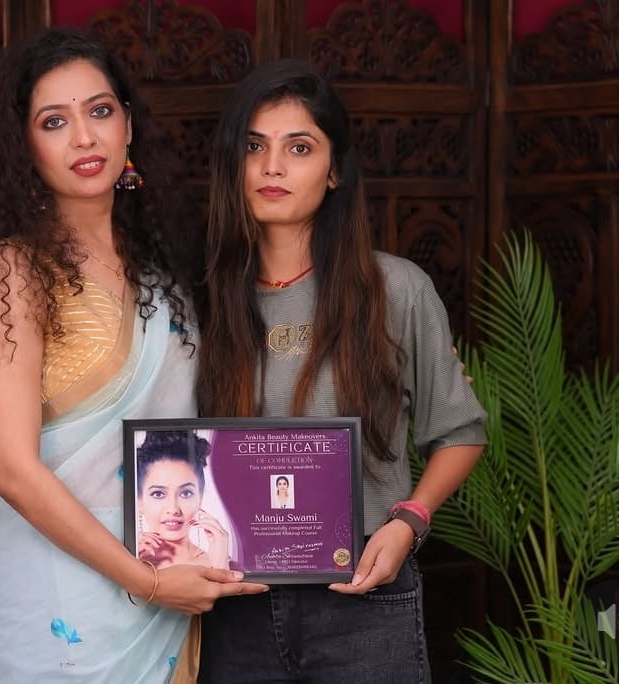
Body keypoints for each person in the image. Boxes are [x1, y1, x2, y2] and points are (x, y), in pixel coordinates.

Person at [0, 27, 265, 684]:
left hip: (173, 578)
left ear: (128, 126)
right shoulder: (15, 273)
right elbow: (13, 473)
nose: (84, 137)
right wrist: (146, 581)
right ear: (24, 144)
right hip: (66, 601)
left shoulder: (165, 271)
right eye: (54, 121)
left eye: (100, 111)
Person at [195, 59, 487, 682]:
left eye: (299, 147)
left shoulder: (395, 288)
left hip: (363, 596)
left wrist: (410, 522)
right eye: (254, 146)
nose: (273, 167)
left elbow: (460, 433)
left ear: (333, 172)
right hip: (231, 603)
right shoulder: (199, 301)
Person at [136, 430, 230, 569]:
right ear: (139, 500)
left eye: (185, 493)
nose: (173, 509)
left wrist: (220, 565)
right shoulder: (127, 559)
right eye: (158, 494)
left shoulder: (220, 562)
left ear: (200, 498)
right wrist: (129, 562)